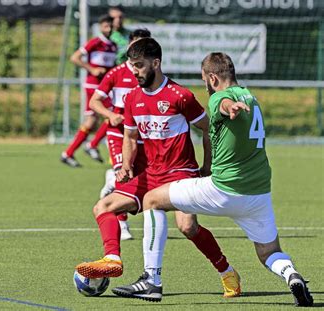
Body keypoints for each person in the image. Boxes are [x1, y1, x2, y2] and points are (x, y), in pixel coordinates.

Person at [113, 52, 314, 307]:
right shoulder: (251, 98)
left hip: (223, 190)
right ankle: (291, 275)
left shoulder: (220, 97)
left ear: (213, 77)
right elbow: (232, 105)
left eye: (204, 80)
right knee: (269, 252)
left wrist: (227, 106)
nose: (205, 86)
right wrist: (234, 106)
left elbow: (222, 104)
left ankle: (151, 280)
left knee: (152, 199)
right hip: (258, 195)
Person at [75, 38, 241, 300]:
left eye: (139, 66)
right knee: (103, 207)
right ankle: (112, 259)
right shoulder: (133, 98)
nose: (135, 72)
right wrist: (127, 166)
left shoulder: (180, 96)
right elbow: (130, 138)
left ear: (156, 63)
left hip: (180, 173)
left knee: (187, 226)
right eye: (132, 66)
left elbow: (207, 130)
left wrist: (207, 167)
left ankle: (226, 271)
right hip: (151, 173)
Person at [90, 28, 151, 241]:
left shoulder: (149, 75)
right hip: (118, 134)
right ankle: (122, 224)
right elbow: (94, 102)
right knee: (124, 175)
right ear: (129, 46)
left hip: (143, 135)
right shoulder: (116, 73)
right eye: (136, 44)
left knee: (145, 179)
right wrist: (110, 114)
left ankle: (112, 178)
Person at [61, 15, 117, 167]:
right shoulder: (95, 42)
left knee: (91, 121)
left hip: (105, 87)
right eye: (106, 26)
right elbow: (75, 57)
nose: (109, 29)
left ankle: (68, 153)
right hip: (94, 87)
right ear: (100, 26)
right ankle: (92, 145)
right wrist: (91, 69)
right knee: (113, 114)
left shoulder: (113, 45)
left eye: (111, 26)